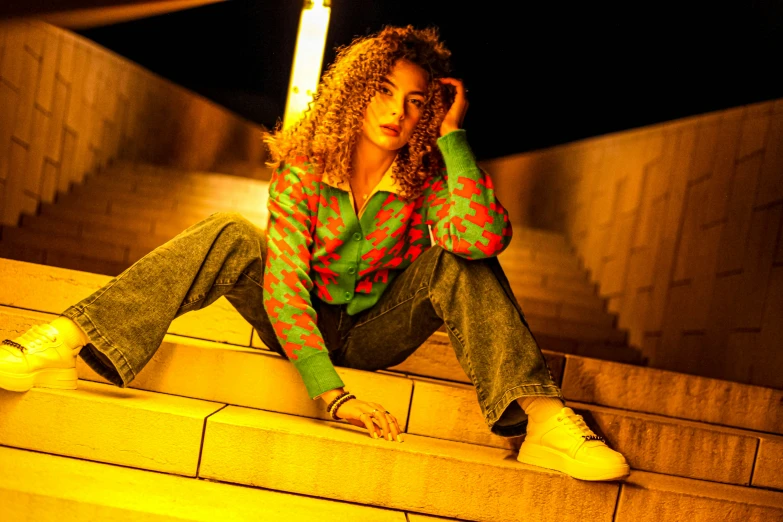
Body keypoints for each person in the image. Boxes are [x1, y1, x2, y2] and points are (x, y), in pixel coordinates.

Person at [0, 25, 629, 481]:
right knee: (227, 231)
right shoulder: (306, 166)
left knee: (457, 259)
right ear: (357, 93)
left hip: (378, 331)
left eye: (416, 101)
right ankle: (64, 337)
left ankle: (542, 419)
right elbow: (283, 284)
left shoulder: (428, 175)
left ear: (427, 112)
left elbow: (482, 241)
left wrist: (455, 141)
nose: (397, 110)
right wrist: (331, 394)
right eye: (384, 91)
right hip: (299, 322)